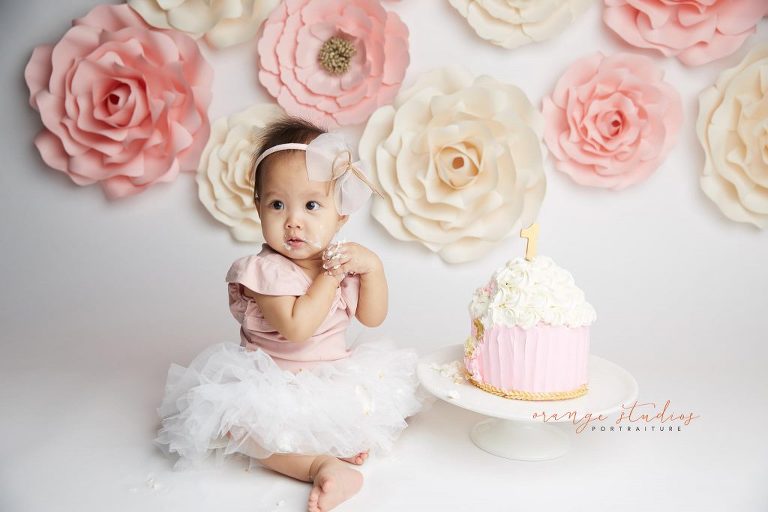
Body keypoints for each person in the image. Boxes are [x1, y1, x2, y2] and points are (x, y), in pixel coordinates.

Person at [155, 117, 426, 512]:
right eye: (277, 204)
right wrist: (331, 276)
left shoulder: (339, 263)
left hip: (331, 379)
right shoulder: (265, 271)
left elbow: (372, 317)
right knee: (242, 430)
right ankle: (320, 465)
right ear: (258, 208)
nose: (293, 221)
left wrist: (373, 270)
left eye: (311, 205)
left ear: (341, 215)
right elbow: (298, 327)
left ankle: (334, 440)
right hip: (273, 384)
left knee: (363, 405)